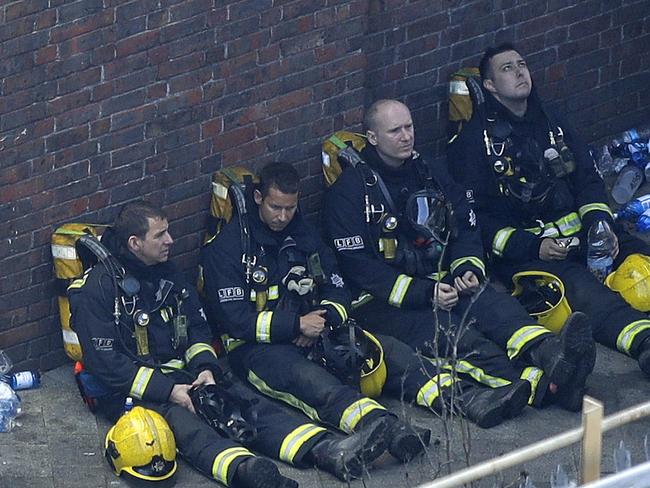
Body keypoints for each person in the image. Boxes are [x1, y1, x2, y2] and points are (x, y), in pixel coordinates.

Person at [68, 201, 396, 487]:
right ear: (135, 243)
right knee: (185, 426)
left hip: (187, 376)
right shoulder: (95, 291)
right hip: (133, 390)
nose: (170, 240)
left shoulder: (166, 274)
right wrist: (169, 391)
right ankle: (246, 471)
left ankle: (328, 452)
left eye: (168, 231)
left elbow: (196, 329)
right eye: (160, 236)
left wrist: (206, 369)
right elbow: (106, 364)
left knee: (246, 405)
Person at [201, 162, 532, 433]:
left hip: (317, 327)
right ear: (258, 198)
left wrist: (324, 318)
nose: (283, 217)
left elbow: (336, 285)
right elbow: (236, 321)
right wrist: (295, 325)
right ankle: (384, 429)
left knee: (392, 354)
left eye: (290, 208)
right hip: (259, 348)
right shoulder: (227, 249)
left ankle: (472, 401)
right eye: (275, 207)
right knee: (313, 383)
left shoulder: (304, 234)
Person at [322, 99, 596, 412]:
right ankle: (546, 386)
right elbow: (359, 268)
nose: (406, 136)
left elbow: (465, 221)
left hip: (443, 281)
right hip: (388, 304)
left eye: (409, 127)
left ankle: (550, 352)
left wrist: (467, 267)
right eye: (395, 130)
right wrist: (425, 293)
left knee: (497, 308)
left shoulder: (429, 170)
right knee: (460, 340)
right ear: (372, 138)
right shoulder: (349, 193)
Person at [447, 43, 650, 376]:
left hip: (586, 237)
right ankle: (644, 343)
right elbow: (476, 219)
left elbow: (587, 178)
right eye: (507, 68)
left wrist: (600, 223)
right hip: (533, 254)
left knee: (641, 262)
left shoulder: (552, 122)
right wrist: (533, 246)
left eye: (522, 64)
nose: (520, 72)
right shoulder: (472, 145)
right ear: (490, 86)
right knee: (590, 298)